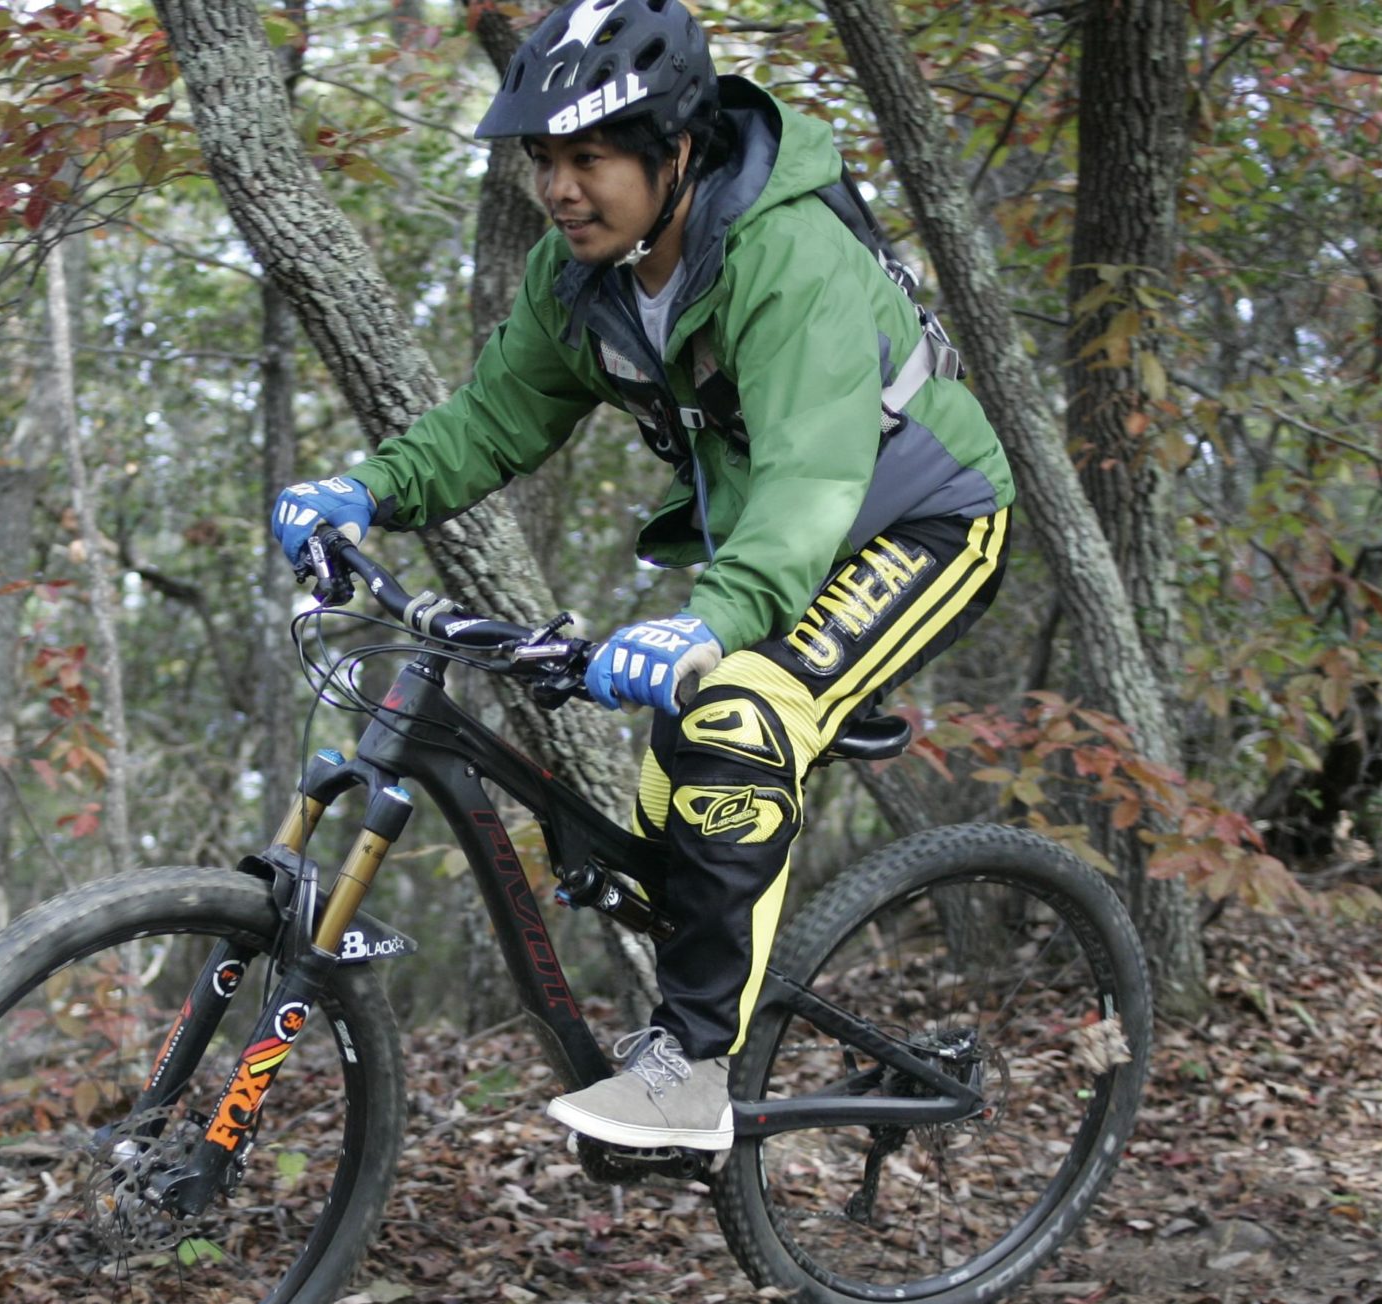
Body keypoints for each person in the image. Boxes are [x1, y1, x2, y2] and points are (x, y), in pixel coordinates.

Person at [269, 0, 1015, 1160]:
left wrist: (706, 623)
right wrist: (363, 492)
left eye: (589, 159)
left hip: (921, 521)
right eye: (543, 160)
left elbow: (812, 479)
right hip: (778, 543)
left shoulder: (783, 255)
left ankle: (689, 1072)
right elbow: (492, 420)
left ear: (676, 149)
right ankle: (708, 1003)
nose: (559, 190)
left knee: (735, 720)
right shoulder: (582, 278)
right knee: (670, 821)